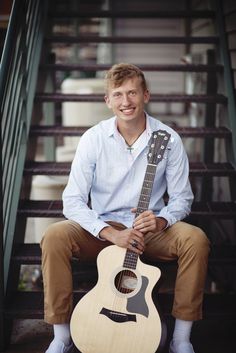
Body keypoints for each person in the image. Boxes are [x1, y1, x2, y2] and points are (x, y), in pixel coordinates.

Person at [41, 63, 210, 353]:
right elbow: (73, 200)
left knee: (196, 240)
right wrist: (108, 232)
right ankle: (62, 336)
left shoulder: (168, 139)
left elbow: (182, 198)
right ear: (107, 101)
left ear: (146, 95)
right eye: (117, 94)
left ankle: (181, 338)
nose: (126, 102)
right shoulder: (93, 139)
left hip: (150, 229)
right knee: (54, 236)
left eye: (132, 92)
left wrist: (161, 220)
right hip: (103, 229)